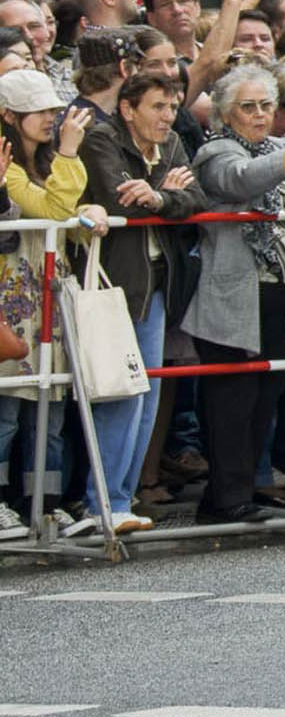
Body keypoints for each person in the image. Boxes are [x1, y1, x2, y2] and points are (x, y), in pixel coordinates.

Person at [184, 69, 285, 525]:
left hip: (281, 294)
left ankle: (240, 489)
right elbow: (244, 180)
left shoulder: (279, 149)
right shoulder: (215, 151)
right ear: (227, 114)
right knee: (232, 400)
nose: (260, 115)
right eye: (248, 107)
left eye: (266, 105)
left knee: (265, 398)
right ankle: (227, 498)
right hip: (234, 296)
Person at [78, 71, 204, 530]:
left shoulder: (170, 143)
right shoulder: (101, 138)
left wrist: (160, 195)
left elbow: (195, 196)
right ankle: (103, 503)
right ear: (129, 108)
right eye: (158, 107)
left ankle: (122, 500)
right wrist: (160, 190)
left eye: (172, 108)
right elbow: (120, 195)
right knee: (121, 394)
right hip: (113, 283)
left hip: (156, 282)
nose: (168, 118)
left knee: (146, 396)